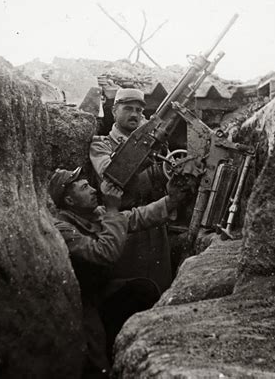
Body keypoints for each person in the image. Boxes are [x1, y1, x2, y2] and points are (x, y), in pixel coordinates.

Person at [48, 167, 185, 378]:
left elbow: (135, 217)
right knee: (96, 359)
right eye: (85, 187)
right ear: (70, 201)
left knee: (142, 290)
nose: (94, 190)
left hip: (100, 292)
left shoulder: (94, 214)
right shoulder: (62, 228)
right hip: (80, 302)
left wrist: (171, 201)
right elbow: (104, 253)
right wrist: (112, 210)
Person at [89, 88, 173, 292]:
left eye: (139, 110)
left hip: (155, 228)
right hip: (124, 230)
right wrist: (143, 149)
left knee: (159, 291)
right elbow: (113, 174)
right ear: (114, 112)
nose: (135, 114)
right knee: (124, 293)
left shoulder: (153, 146)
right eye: (128, 108)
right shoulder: (101, 145)